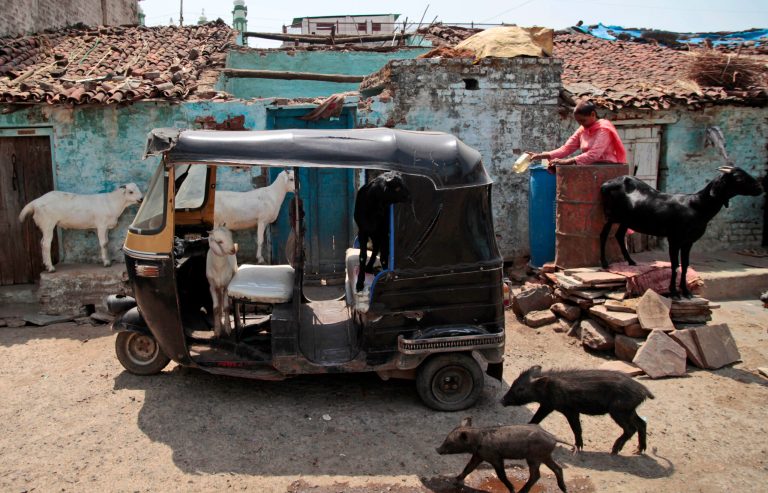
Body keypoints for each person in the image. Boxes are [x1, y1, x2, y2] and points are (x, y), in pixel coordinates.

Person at [527, 100, 627, 173]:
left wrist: (567, 161)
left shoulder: (603, 128)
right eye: (578, 121)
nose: (581, 124)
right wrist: (540, 156)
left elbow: (594, 154)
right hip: (590, 168)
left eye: (583, 120)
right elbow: (566, 149)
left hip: (607, 168)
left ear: (593, 114)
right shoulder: (583, 129)